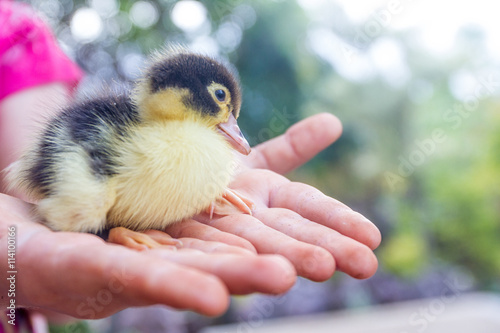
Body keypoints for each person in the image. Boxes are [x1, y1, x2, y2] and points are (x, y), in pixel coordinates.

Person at [0, 0, 381, 327]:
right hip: (86, 177)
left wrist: (202, 187)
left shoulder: (17, 36)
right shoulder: (140, 143)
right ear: (174, 89)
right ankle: (103, 229)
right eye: (220, 101)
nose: (231, 126)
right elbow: (55, 170)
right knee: (84, 202)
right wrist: (101, 235)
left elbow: (54, 297)